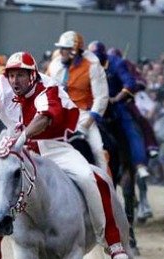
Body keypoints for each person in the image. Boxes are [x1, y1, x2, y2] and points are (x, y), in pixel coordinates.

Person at [0, 51, 130, 259]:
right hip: (20, 147)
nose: (14, 81)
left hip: (53, 146)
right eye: (11, 75)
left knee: (89, 177)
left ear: (32, 75)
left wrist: (22, 137)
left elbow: (44, 118)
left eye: (20, 76)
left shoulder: (48, 87)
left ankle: (111, 239)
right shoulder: (1, 84)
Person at [47, 31, 109, 172]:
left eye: (65, 48)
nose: (61, 51)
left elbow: (101, 96)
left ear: (74, 51)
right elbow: (46, 89)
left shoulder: (92, 65)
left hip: (83, 116)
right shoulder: (54, 65)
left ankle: (105, 188)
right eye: (61, 48)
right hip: (59, 114)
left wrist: (88, 123)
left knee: (98, 150)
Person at [88, 40, 150, 178]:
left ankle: (140, 164)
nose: (94, 59)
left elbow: (129, 82)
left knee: (132, 130)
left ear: (103, 54)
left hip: (116, 104)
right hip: (95, 105)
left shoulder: (117, 63)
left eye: (97, 55)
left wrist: (117, 98)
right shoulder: (87, 64)